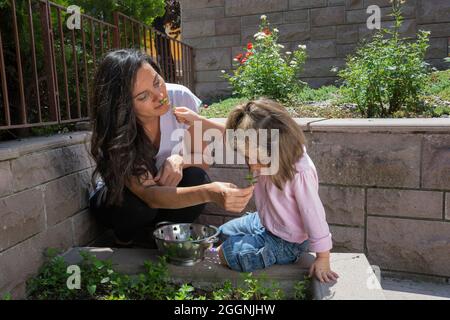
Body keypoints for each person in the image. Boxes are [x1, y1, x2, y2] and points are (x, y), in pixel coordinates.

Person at [89, 49, 254, 246]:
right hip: (119, 201)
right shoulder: (116, 129)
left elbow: (202, 159)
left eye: (158, 82)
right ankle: (124, 238)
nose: (160, 96)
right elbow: (148, 195)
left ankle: (163, 235)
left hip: (162, 195)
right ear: (123, 106)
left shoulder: (180, 98)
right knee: (136, 207)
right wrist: (210, 192)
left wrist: (180, 160)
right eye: (143, 97)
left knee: (195, 177)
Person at [174, 98, 339, 283]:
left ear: (278, 146)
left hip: (288, 241)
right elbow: (230, 136)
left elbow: (313, 215)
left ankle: (220, 254)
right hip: (265, 221)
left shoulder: (299, 173)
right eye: (246, 156)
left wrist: (323, 258)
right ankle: (220, 248)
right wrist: (198, 120)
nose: (252, 164)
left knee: (229, 252)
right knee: (221, 232)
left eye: (256, 158)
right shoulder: (267, 149)